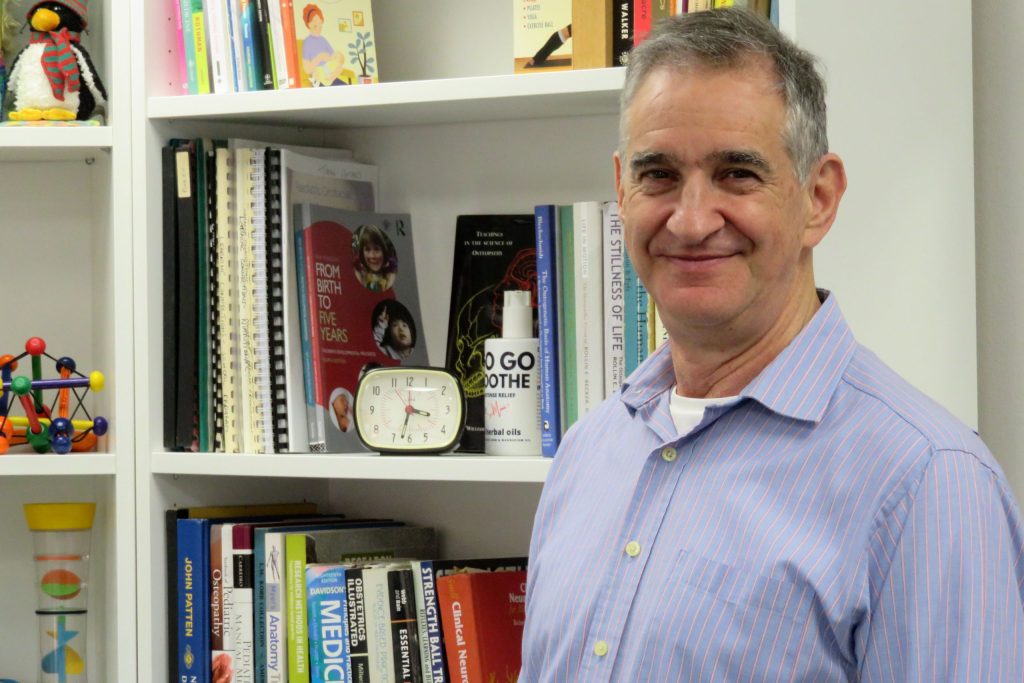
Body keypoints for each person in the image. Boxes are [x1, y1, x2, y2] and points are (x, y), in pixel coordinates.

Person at [520, 8, 1024, 682]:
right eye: (658, 174)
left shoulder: (929, 484)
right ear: (622, 190)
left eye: (737, 173)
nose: (691, 221)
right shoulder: (587, 454)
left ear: (819, 198)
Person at [352, 223, 398, 292]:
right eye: (367, 249)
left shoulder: (390, 277)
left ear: (384, 252)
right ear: (362, 253)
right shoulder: (360, 276)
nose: (372, 256)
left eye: (376, 249)